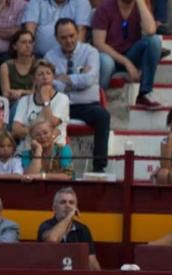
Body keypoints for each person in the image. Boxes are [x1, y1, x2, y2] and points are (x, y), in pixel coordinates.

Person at [46, 18, 110, 173]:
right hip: (60, 104)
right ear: (56, 38)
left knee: (103, 116)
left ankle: (99, 167)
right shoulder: (49, 57)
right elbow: (52, 84)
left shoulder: (91, 52)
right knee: (43, 117)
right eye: (63, 37)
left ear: (78, 33)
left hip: (85, 104)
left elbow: (90, 79)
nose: (68, 40)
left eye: (71, 35)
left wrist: (66, 79)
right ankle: (50, 166)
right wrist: (79, 77)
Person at [92, 0, 163, 109]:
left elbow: (150, 30)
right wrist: (126, 62)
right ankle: (97, 100)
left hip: (131, 53)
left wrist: (140, 2)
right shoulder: (104, 8)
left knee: (154, 41)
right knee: (106, 62)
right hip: (110, 56)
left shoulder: (140, 7)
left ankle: (145, 93)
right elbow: (99, 43)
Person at [37, 186, 101, 269]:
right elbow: (52, 240)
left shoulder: (83, 230)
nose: (67, 206)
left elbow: (92, 262)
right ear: (54, 208)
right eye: (63, 202)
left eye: (71, 203)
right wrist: (69, 216)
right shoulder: (46, 226)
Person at [10, 59, 69, 146]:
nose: (45, 77)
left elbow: (51, 123)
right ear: (34, 79)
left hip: (54, 149)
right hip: (28, 149)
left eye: (48, 73)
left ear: (53, 77)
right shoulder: (24, 101)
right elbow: (16, 130)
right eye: (40, 74)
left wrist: (45, 99)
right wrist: (38, 131)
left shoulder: (62, 99)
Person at [23, 0, 92, 58]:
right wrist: (29, 53)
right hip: (39, 57)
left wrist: (76, 57)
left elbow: (81, 33)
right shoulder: (36, 1)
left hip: (70, 57)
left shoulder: (81, 2)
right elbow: (29, 31)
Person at [0, 29, 37, 108]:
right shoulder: (6, 66)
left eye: (30, 42)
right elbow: (6, 93)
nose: (28, 46)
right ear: (15, 46)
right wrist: (27, 93)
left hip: (34, 104)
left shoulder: (38, 65)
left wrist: (21, 92)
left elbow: (37, 93)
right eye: (23, 42)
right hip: (13, 105)